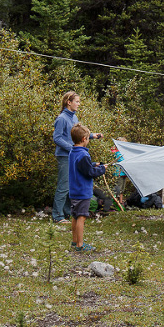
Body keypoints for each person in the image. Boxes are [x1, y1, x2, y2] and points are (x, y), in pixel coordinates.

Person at [52, 91, 103, 224]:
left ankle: (69, 213)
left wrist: (92, 135)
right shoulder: (62, 118)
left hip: (72, 155)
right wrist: (73, 149)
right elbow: (57, 138)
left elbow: (77, 134)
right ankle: (57, 216)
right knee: (63, 186)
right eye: (77, 101)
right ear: (69, 102)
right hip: (64, 156)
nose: (79, 104)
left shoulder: (74, 118)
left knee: (71, 185)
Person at [69, 123, 107, 251]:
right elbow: (89, 172)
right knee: (81, 217)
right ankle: (80, 245)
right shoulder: (83, 155)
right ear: (84, 139)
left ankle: (75, 242)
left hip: (74, 190)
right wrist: (101, 169)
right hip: (82, 191)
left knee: (75, 216)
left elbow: (82, 166)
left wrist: (94, 164)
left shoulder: (73, 152)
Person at [111, 137, 128, 206]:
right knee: (118, 188)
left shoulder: (122, 153)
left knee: (122, 188)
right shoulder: (117, 153)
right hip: (119, 173)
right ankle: (116, 202)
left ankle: (121, 202)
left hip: (124, 173)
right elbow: (122, 160)